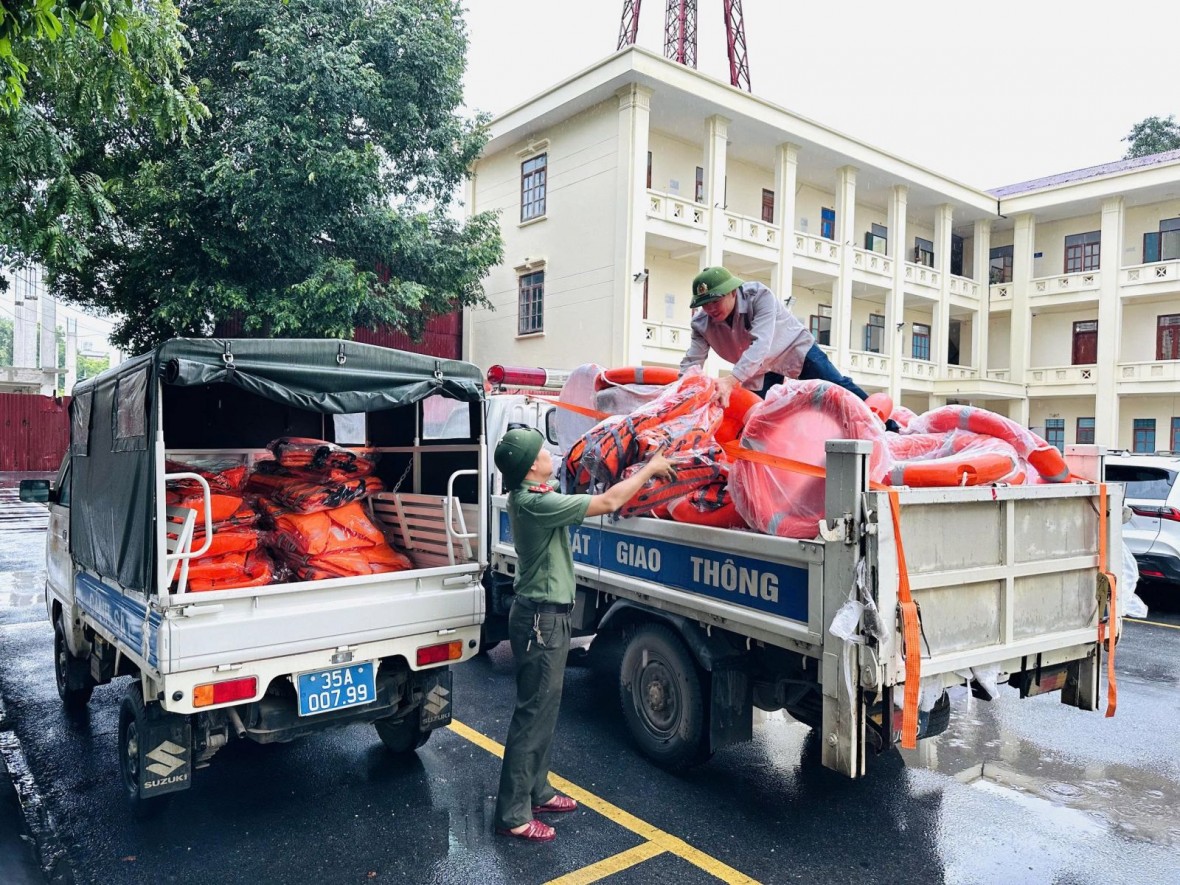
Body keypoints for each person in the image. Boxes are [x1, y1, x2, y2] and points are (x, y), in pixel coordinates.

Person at [491, 428, 676, 843]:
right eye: (541, 452)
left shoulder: (537, 496)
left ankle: (537, 790)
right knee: (532, 714)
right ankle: (513, 813)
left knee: (545, 709)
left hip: (544, 618)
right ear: (528, 468)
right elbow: (609, 502)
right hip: (541, 621)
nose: (548, 454)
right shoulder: (536, 503)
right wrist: (651, 468)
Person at [680, 265, 883, 416]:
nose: (711, 309)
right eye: (705, 305)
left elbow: (761, 344)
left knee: (835, 388)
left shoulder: (759, 296)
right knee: (758, 415)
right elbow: (692, 362)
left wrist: (731, 381)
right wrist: (677, 393)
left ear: (733, 292)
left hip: (792, 348)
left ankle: (885, 424)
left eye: (715, 301)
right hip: (756, 368)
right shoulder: (701, 323)